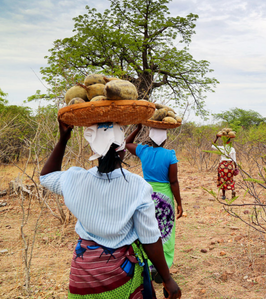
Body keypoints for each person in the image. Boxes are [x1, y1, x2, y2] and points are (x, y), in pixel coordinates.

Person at [40, 121, 181, 299]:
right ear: (122, 150)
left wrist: (63, 139)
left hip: (82, 274)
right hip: (119, 273)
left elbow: (46, 176)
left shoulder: (73, 178)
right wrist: (167, 279)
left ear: (94, 148)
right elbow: (150, 239)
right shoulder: (137, 186)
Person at [125, 124, 183, 281]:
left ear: (149, 137)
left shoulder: (143, 151)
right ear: (165, 139)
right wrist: (179, 203)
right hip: (164, 198)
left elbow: (126, 144)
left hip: (147, 197)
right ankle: (163, 266)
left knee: (148, 230)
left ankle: (149, 265)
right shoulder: (170, 155)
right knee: (165, 232)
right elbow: (173, 182)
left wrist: (137, 129)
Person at [212, 135, 238, 200]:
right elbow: (234, 160)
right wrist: (236, 167)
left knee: (222, 180)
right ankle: (233, 191)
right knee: (230, 179)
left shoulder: (222, 148)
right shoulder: (232, 149)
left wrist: (216, 138)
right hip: (229, 166)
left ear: (223, 141)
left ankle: (223, 195)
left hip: (222, 166)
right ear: (229, 141)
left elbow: (212, 146)